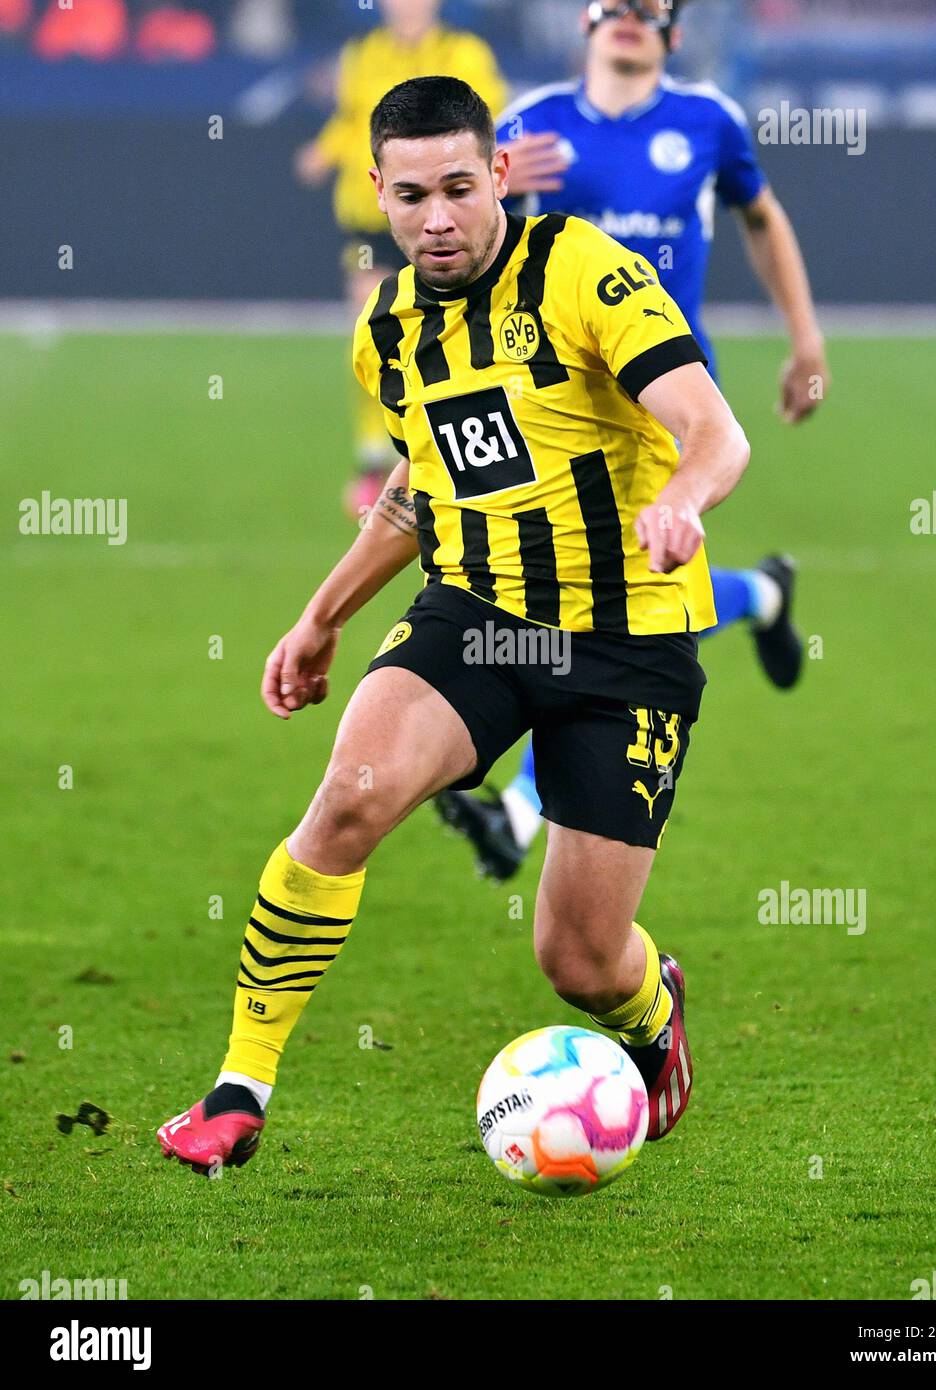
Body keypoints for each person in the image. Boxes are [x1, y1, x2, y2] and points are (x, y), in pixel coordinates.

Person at [157, 75, 750, 1168]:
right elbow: (419, 490)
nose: (439, 218)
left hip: (623, 646)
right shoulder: (386, 332)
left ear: (503, 177)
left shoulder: (584, 271)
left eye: (463, 189)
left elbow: (715, 431)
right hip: (477, 617)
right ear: (376, 190)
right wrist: (322, 614)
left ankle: (650, 1010)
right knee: (349, 796)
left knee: (576, 960)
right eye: (414, 194)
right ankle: (239, 1085)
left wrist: (681, 498)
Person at [435, 0, 830, 880]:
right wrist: (491, 182)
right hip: (554, 396)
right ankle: (762, 596)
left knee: (614, 597)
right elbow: (463, 235)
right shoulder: (525, 125)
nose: (625, 15)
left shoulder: (706, 122)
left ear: (674, 32)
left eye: (647, 6)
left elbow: (760, 219)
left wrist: (804, 340)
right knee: (624, 596)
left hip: (663, 393)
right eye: (609, 1)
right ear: (583, 22)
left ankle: (515, 810)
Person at [295, 0, 506, 517]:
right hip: (374, 212)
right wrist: (324, 150)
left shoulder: (465, 53)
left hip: (443, 210)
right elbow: (352, 123)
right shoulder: (361, 54)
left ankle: (462, 449)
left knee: (456, 326)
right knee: (373, 323)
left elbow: (490, 122)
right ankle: (374, 460)